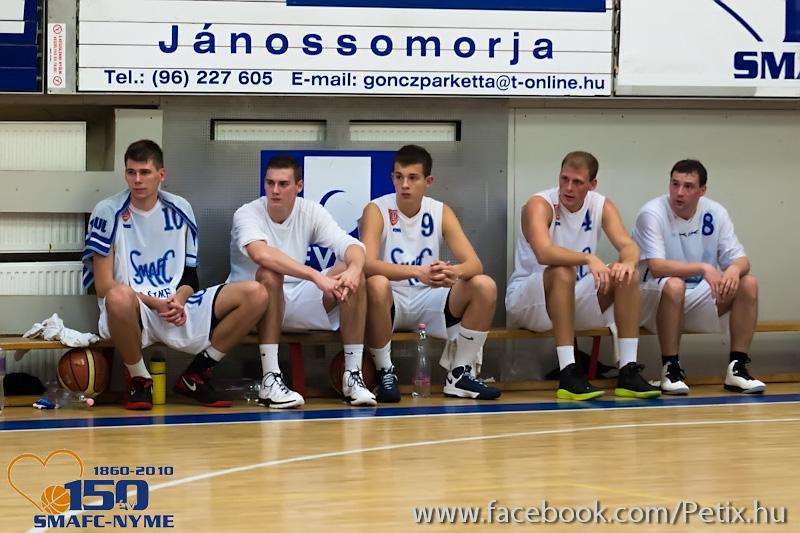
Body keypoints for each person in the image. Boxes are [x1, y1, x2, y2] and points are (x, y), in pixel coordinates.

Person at [82, 140, 267, 410]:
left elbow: (190, 276)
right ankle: (139, 379)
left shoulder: (181, 208)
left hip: (175, 303)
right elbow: (103, 286)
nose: (137, 180)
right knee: (117, 296)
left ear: (161, 174)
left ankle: (196, 374)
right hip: (133, 308)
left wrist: (179, 299)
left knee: (257, 294)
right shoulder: (108, 211)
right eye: (131, 172)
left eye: (145, 172)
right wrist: (155, 303)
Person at [505, 151, 660, 401]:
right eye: (564, 179)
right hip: (529, 300)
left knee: (626, 274)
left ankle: (628, 371)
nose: (568, 187)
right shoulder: (539, 204)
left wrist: (628, 263)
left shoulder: (601, 205)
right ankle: (568, 372)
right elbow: (544, 253)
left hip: (573, 298)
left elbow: (628, 246)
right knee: (562, 270)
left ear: (592, 184)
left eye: (577, 182)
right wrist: (588, 258)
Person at [228, 154, 376, 408]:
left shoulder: (310, 211)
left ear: (299, 186)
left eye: (283, 184)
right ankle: (270, 379)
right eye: (270, 183)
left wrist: (354, 268)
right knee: (270, 274)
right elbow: (261, 255)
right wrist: (315, 275)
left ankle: (352, 376)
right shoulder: (247, 213)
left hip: (296, 299)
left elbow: (349, 244)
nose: (275, 190)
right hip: (253, 307)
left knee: (353, 274)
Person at [360, 144, 501, 401]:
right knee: (376, 283)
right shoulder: (376, 209)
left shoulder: (440, 210)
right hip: (391, 299)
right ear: (392, 177)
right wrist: (418, 272)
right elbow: (366, 263)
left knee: (485, 285)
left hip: (430, 297)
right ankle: (385, 372)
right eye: (399, 177)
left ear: (428, 181)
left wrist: (450, 272)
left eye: (413, 178)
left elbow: (474, 264)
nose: (405, 185)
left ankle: (459, 373)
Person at [632, 159, 764, 395]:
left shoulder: (716, 212)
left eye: (688, 186)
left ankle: (737, 368)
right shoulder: (652, 213)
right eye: (675, 184)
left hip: (696, 296)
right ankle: (670, 369)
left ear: (702, 190)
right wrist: (703, 268)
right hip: (652, 298)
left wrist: (733, 270)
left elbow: (742, 260)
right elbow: (657, 266)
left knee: (748, 283)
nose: (679, 192)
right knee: (675, 285)